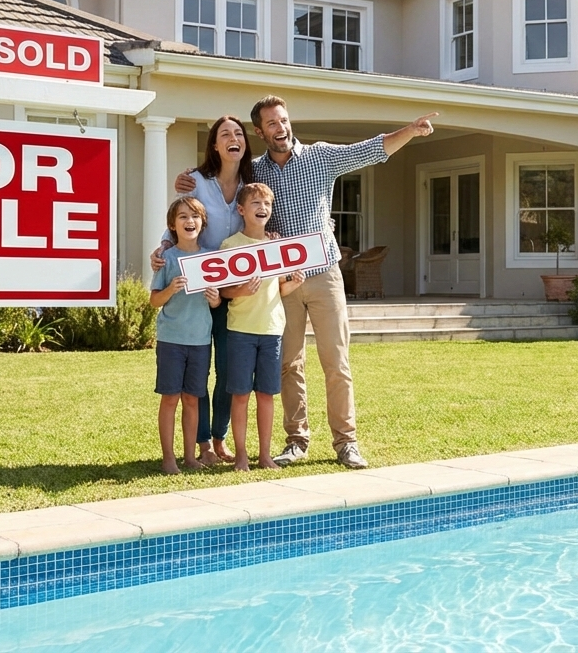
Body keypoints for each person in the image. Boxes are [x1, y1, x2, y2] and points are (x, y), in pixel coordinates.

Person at [177, 96, 438, 469]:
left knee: (336, 361)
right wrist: (186, 180)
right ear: (260, 131)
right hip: (282, 281)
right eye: (271, 123)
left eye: (283, 120)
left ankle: (346, 442)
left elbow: (371, 150)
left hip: (326, 274)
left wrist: (410, 131)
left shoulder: (321, 156)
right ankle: (296, 440)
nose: (280, 128)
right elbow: (222, 188)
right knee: (288, 362)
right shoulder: (255, 172)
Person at [152, 116, 253, 465]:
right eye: (224, 134)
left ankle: (219, 436)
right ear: (214, 144)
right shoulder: (194, 180)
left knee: (226, 368)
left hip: (229, 289)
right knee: (198, 366)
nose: (232, 138)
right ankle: (201, 444)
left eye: (238, 133)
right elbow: (180, 220)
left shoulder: (252, 183)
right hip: (192, 292)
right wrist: (163, 249)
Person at [219, 183, 305, 471]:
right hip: (241, 330)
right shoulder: (230, 246)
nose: (262, 208)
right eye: (256, 203)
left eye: (267, 204)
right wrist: (241, 290)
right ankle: (242, 456)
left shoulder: (276, 247)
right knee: (241, 394)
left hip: (271, 330)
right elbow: (224, 292)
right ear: (242, 210)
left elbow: (278, 291)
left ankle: (265, 455)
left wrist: (294, 284)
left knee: (266, 394)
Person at [150, 196, 221, 474]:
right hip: (171, 339)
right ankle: (168, 459)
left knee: (193, 398)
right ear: (173, 225)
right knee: (170, 398)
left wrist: (215, 299)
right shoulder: (166, 258)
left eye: (194, 216)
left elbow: (215, 303)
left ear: (202, 223)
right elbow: (154, 300)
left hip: (200, 340)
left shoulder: (211, 258)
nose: (189, 221)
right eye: (182, 217)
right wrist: (171, 289)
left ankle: (190, 456)